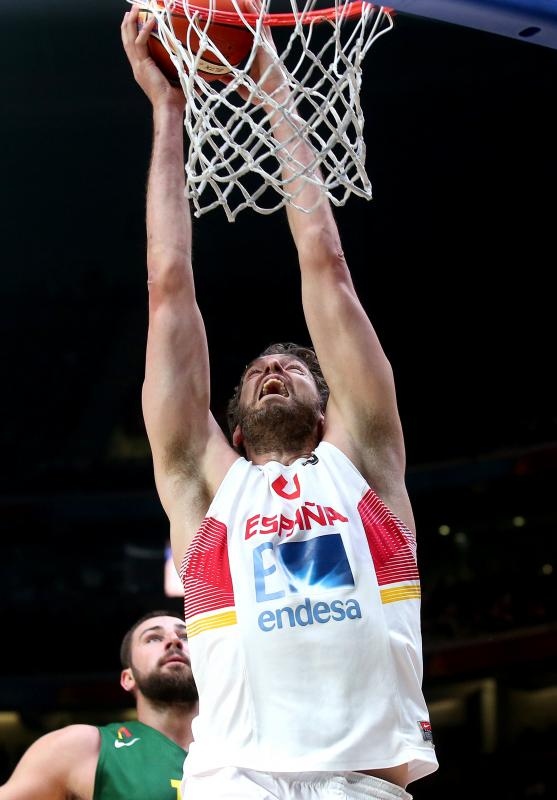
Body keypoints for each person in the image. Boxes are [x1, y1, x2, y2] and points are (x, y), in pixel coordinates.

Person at [121, 5, 439, 799]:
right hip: (237, 778)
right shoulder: (206, 486)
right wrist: (168, 113)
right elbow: (167, 294)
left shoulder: (363, 461)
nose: (274, 368)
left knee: (325, 270)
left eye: (294, 368)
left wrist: (271, 84)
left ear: (329, 411)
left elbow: (325, 265)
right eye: (261, 368)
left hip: (364, 777)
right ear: (230, 426)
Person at [0, 611, 197, 800]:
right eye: (153, 638)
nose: (174, 640)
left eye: (186, 636)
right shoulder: (81, 747)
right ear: (128, 678)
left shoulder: (227, 747)